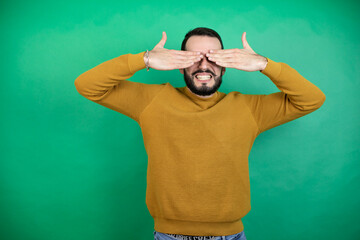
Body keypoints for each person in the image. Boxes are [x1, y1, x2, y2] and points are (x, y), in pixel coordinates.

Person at [74, 27, 326, 240]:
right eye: (194, 57)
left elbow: (311, 100)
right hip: (168, 235)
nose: (204, 65)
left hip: (231, 235)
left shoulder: (249, 109)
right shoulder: (152, 101)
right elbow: (87, 85)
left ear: (226, 66)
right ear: (179, 65)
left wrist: (264, 64)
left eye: (213, 57)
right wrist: (145, 59)